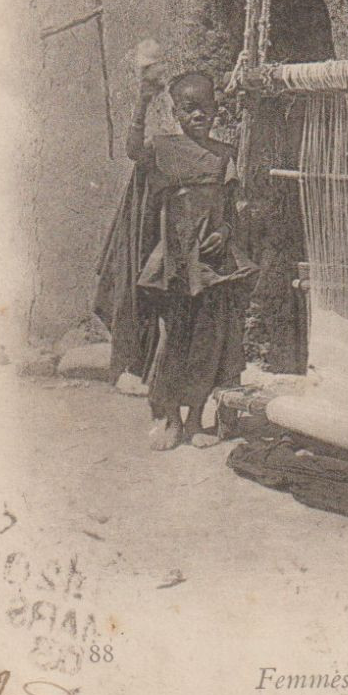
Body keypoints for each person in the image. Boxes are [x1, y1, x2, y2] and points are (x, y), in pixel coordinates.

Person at [125, 69, 256, 450]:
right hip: (176, 260)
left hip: (213, 264)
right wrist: (142, 101)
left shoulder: (224, 155)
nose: (199, 115)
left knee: (207, 340)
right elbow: (134, 150)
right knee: (174, 337)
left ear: (216, 110)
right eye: (189, 108)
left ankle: (198, 419)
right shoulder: (165, 148)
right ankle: (169, 417)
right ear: (176, 113)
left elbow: (232, 209)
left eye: (206, 108)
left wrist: (225, 233)